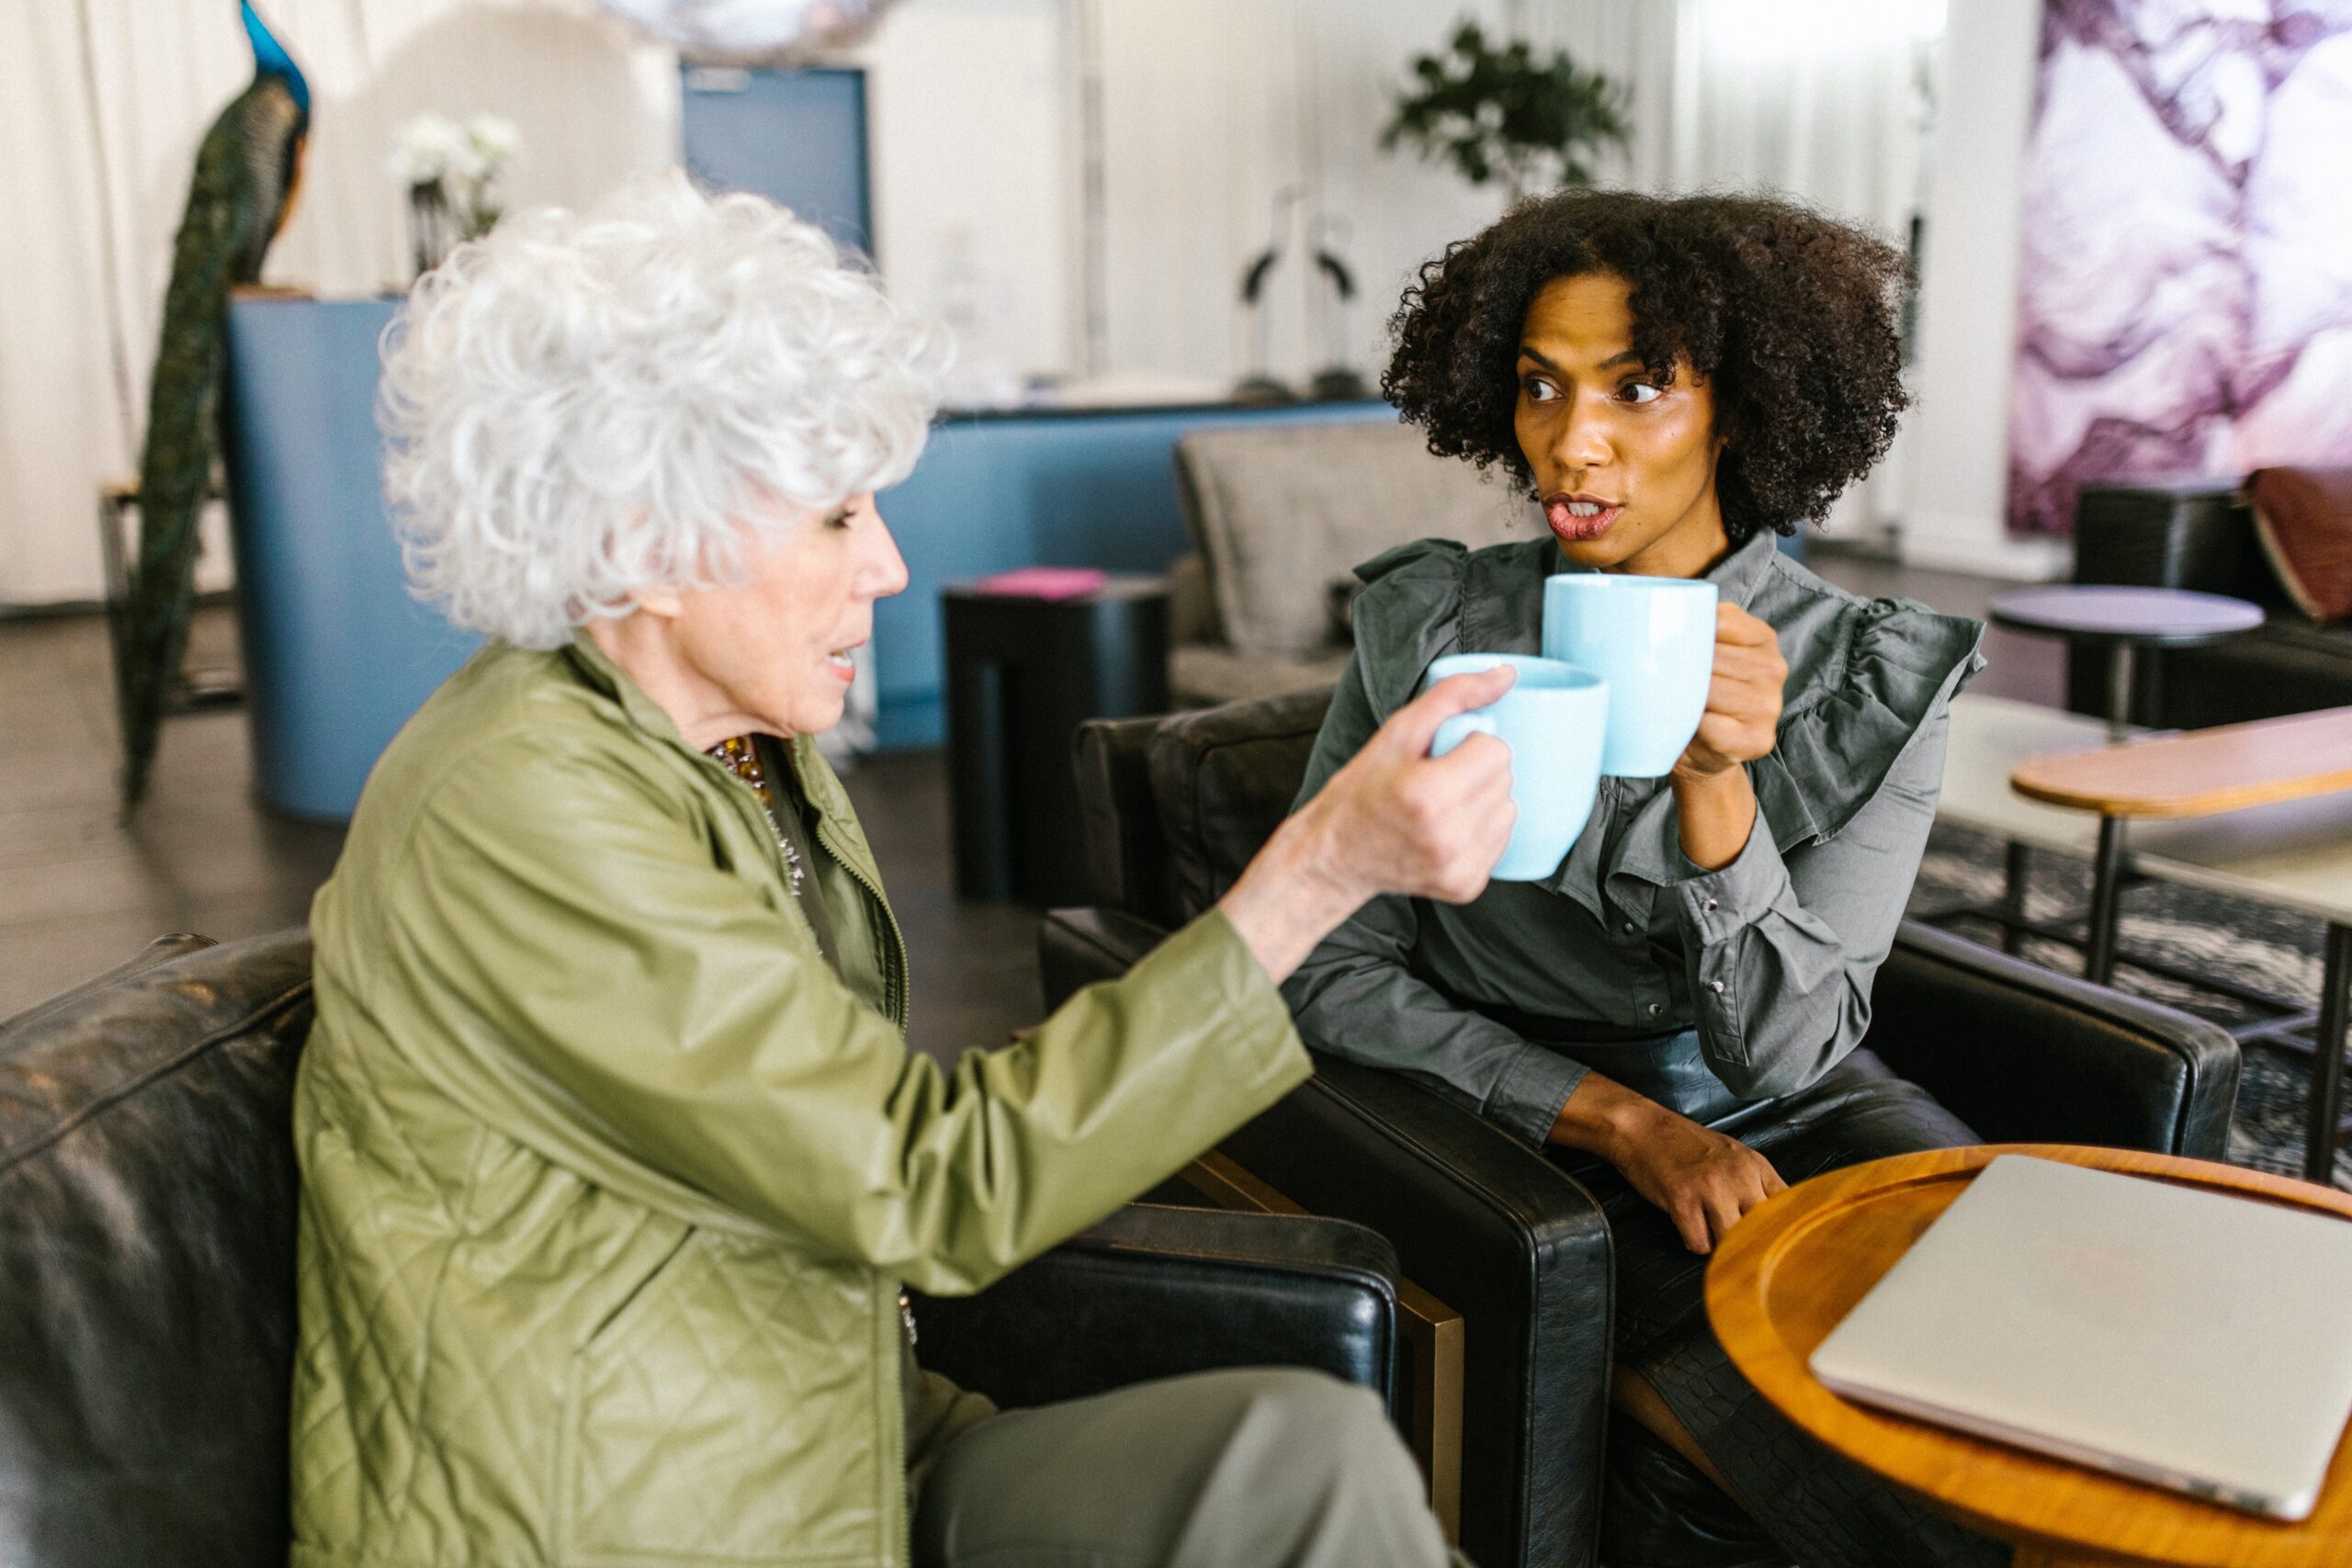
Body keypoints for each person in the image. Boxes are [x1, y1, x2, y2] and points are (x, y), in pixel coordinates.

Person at [287, 175, 1507, 1568]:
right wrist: (1320, 873)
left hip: (840, 1428)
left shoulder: (739, 749)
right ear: (641, 542)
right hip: (642, 1511)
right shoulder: (518, 812)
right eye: (832, 517)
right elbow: (933, 1183)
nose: (888, 562)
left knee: (1306, 1453)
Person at [1283, 189, 2004, 1568]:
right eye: (1540, 386)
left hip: (1794, 1102)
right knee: (1803, 1448)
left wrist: (1717, 786)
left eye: (1640, 387)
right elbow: (1324, 960)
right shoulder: (1434, 624)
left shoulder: (1867, 674)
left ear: (1746, 408)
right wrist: (1619, 1121)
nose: (1572, 441)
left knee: (2004, 1359)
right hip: (1516, 1120)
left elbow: (1793, 1048)